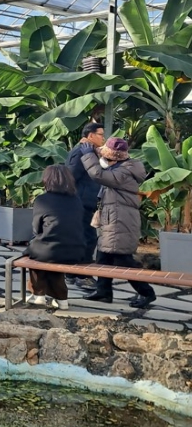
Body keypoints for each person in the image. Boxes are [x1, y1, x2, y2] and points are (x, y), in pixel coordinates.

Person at [82, 137, 157, 308]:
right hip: (114, 219)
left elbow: (98, 174)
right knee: (103, 257)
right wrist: (92, 150)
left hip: (120, 221)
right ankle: (103, 291)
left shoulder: (124, 171)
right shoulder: (120, 166)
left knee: (123, 260)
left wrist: (87, 156)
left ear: (114, 158)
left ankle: (147, 292)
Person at [24, 165, 86, 310]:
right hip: (76, 250)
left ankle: (38, 293)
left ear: (47, 180)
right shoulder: (76, 200)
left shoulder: (42, 200)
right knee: (52, 256)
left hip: (50, 250)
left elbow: (36, 228)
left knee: (34, 253)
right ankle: (61, 298)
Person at [66, 122, 106, 289]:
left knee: (83, 238)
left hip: (86, 203)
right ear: (90, 135)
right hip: (80, 203)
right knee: (88, 239)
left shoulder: (90, 151)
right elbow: (70, 176)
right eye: (101, 134)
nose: (103, 138)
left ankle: (72, 273)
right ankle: (82, 275)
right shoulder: (80, 152)